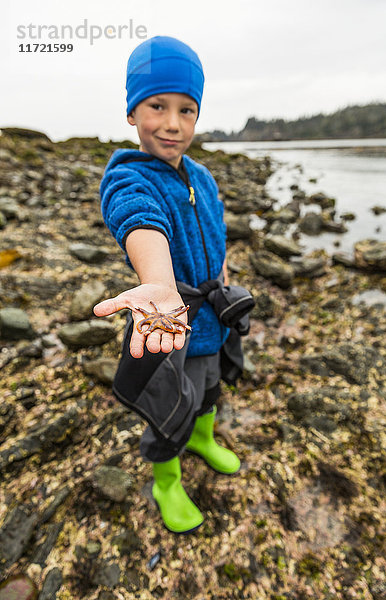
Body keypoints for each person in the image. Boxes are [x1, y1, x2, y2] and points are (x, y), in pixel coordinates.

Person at [93, 36, 254, 534]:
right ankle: (166, 480)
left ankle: (204, 438)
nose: (172, 123)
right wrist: (159, 282)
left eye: (187, 110)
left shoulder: (203, 176)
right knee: (170, 406)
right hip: (171, 324)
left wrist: (224, 277)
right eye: (157, 106)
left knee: (209, 388)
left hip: (211, 320)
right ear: (131, 112)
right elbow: (137, 218)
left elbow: (217, 231)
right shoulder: (128, 175)